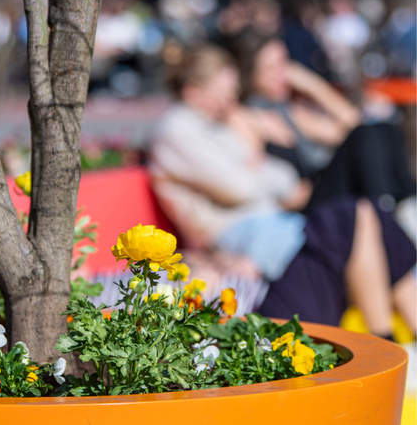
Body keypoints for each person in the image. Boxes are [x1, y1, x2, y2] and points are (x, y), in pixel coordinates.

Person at [151, 45, 416, 337]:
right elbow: (239, 188)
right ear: (192, 90)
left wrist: (257, 169)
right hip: (242, 234)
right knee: (351, 214)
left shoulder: (217, 126)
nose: (230, 99)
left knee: (372, 212)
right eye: (222, 91)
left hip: (273, 224)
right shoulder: (178, 130)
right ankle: (384, 343)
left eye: (232, 91)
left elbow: (282, 178)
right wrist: (258, 168)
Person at [230, 32, 416, 206]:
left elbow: (352, 123)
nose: (284, 74)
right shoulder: (246, 116)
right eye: (272, 68)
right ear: (250, 74)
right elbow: (258, 177)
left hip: (325, 187)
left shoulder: (290, 110)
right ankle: (386, 206)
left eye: (284, 63)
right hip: (307, 200)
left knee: (383, 129)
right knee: (366, 134)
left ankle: (404, 202)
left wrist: (312, 85)